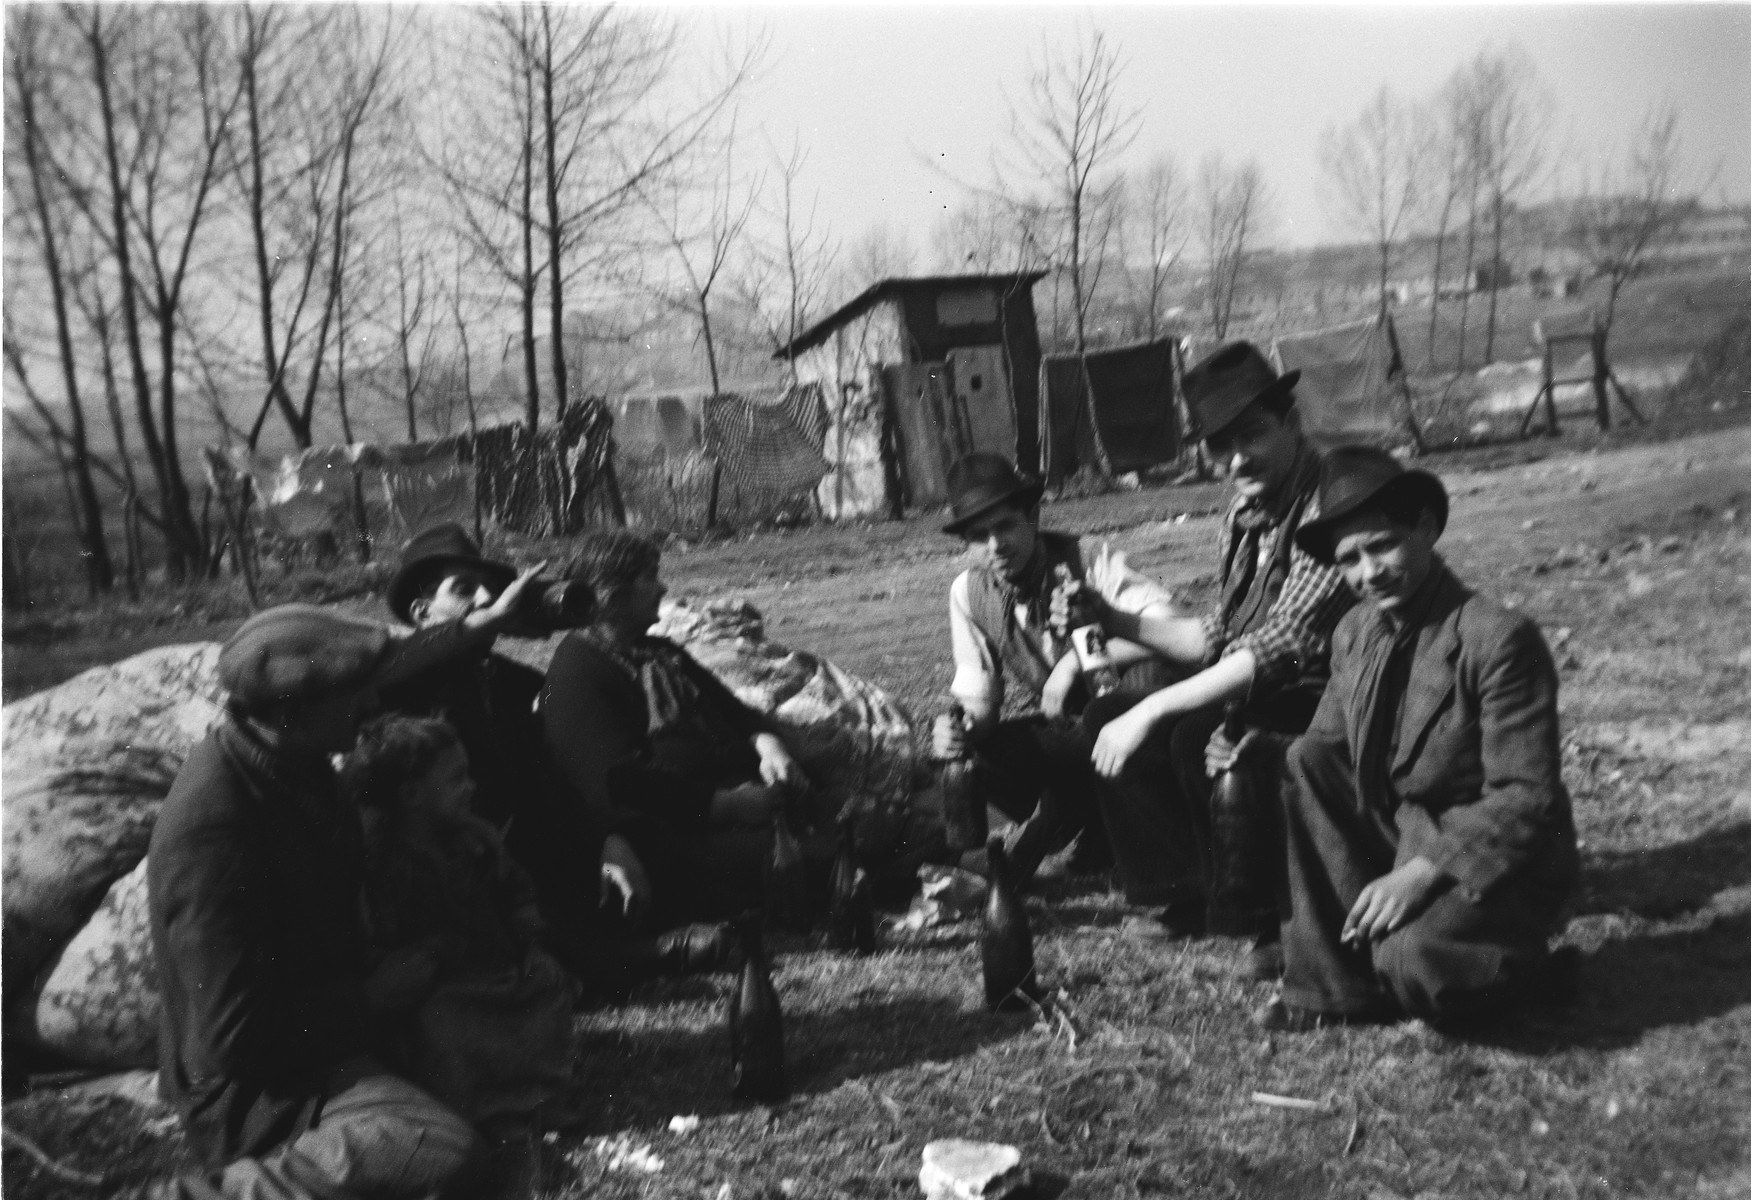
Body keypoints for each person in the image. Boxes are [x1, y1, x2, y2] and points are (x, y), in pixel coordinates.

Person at [147, 601, 531, 1200]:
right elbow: (227, 1045)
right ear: (292, 709)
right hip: (260, 1093)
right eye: (355, 692)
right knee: (441, 1152)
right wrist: (372, 998)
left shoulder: (295, 766)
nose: (373, 704)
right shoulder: (216, 827)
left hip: (327, 1036)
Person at [1255, 446, 1578, 1031]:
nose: (1368, 573)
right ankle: (1333, 987)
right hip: (1406, 828)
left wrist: (1421, 873)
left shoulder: (1497, 639)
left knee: (1414, 964)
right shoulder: (1355, 631)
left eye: (1382, 546)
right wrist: (1259, 749)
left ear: (1426, 528)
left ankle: (1535, 969)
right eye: (1349, 559)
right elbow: (1328, 748)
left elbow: (1527, 795)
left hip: (1495, 854)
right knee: (1302, 758)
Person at [1067, 342, 1353, 976]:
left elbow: (1285, 643)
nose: (1237, 458)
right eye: (1220, 445)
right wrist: (1110, 620)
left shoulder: (1329, 502)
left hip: (1333, 693)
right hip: (1259, 680)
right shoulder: (1245, 514)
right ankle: (1179, 893)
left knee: (1201, 729)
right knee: (1107, 713)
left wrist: (1155, 709)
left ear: (1291, 422)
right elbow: (1217, 636)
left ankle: (1267, 919)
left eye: (1252, 434)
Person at [385, 523, 723, 999]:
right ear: (422, 612)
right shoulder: (403, 684)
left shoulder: (512, 683)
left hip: (524, 857)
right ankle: (626, 964)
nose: (487, 599)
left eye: (491, 589)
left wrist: (606, 840)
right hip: (439, 869)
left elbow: (550, 780)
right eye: (464, 590)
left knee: (644, 860)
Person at [932, 452, 1183, 896]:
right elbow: (980, 699)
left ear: (1032, 517)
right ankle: (1090, 822)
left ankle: (1154, 842)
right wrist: (961, 727)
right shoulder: (967, 593)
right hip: (1073, 732)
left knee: (1146, 679)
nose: (995, 546)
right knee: (988, 756)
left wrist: (1074, 660)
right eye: (978, 536)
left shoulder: (1085, 556)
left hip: (1129, 719)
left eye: (1005, 526)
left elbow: (1170, 628)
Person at [345, 715, 578, 1186]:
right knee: (443, 1023)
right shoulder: (382, 861)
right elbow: (376, 939)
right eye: (456, 780)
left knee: (548, 985)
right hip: (440, 987)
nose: (470, 788)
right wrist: (416, 959)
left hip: (497, 971)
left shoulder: (476, 840)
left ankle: (537, 1094)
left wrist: (528, 936)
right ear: (411, 796)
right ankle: (482, 1107)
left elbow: (515, 892)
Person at [541, 530, 810, 928]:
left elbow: (736, 713)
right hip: (676, 835)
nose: (663, 587)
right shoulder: (579, 671)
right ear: (611, 594)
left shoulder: (661, 653)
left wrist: (772, 748)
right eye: (649, 577)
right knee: (809, 857)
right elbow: (617, 785)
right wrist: (726, 805)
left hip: (741, 800)